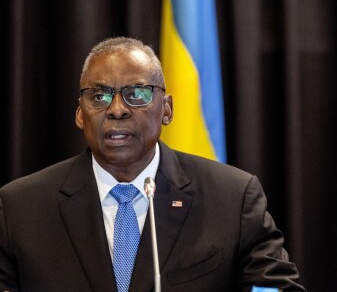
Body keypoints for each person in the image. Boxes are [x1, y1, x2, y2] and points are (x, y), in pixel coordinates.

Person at [0, 36, 305, 292]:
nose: (117, 109)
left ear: (167, 109)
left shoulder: (232, 198)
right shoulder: (20, 209)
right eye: (100, 95)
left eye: (136, 94)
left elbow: (275, 288)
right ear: (80, 113)